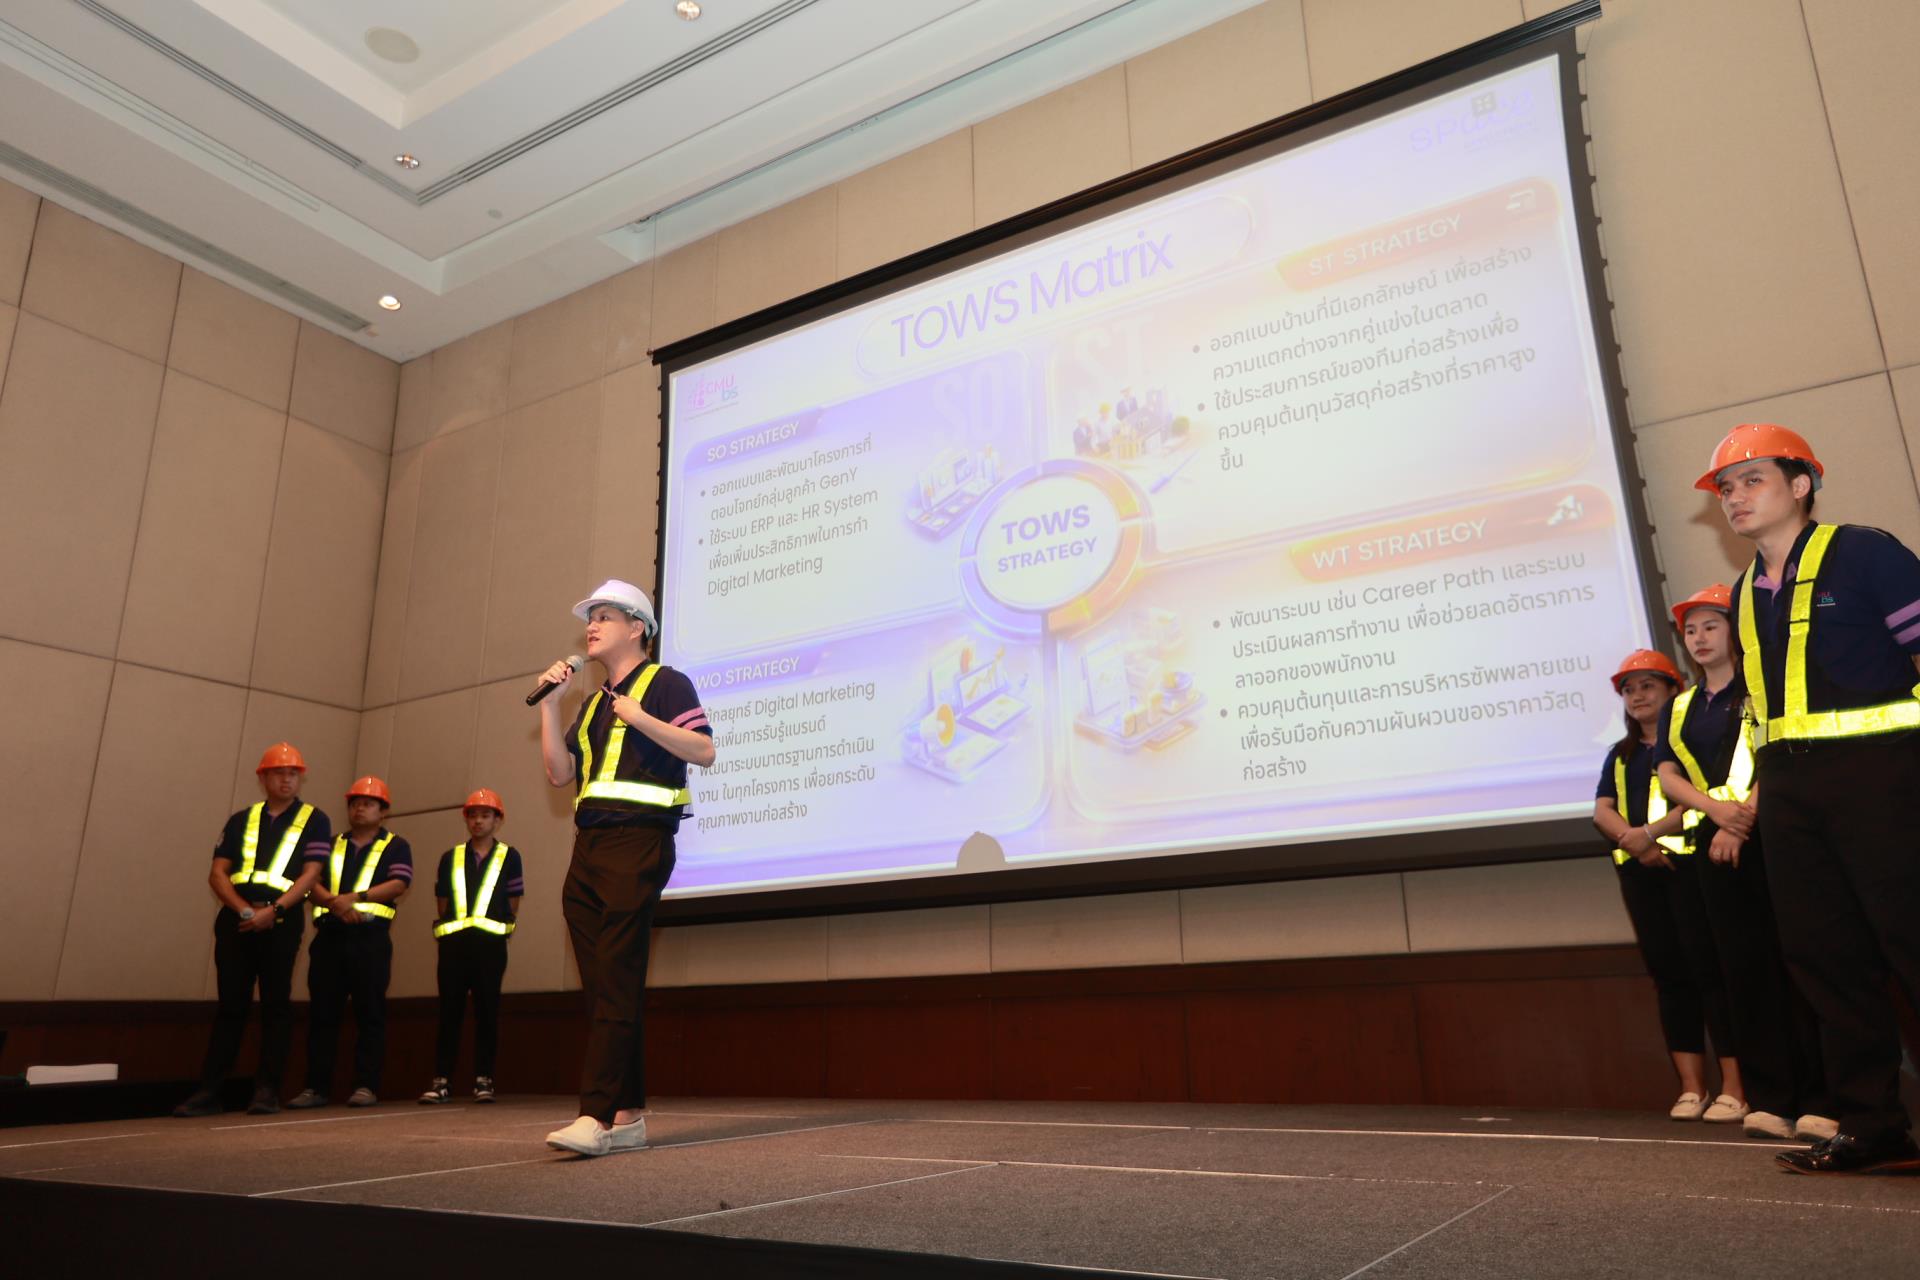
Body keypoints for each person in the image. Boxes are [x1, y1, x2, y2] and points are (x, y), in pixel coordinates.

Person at [1703, 422, 1920, 1175]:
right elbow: (1766, 712)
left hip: (1882, 776)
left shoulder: (1866, 553)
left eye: (1752, 479)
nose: (1734, 496)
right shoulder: (1743, 592)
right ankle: (1872, 1126)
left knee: (1911, 939)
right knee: (1826, 958)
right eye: (1725, 487)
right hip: (1790, 793)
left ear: (1801, 485)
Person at [538, 579, 714, 1157]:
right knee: (605, 987)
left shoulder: (665, 684)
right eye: (590, 618)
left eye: (605, 617)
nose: (591, 626)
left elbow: (703, 750)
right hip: (588, 849)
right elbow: (560, 775)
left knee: (614, 979)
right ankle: (629, 1113)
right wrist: (552, 706)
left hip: (638, 843)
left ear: (637, 627)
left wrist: (640, 718)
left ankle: (594, 1117)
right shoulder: (592, 703)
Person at [1654, 585, 1830, 1141]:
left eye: (1710, 626)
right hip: (1713, 843)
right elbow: (1667, 773)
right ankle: (1771, 1099)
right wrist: (1717, 815)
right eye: (1690, 630)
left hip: (1772, 833)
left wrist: (1742, 820)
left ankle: (1821, 1099)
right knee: (1742, 971)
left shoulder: (1762, 687)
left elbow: (1779, 753)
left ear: (1735, 631)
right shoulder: (1681, 706)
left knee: (1795, 963)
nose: (1699, 638)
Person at [1591, 650, 1740, 1121]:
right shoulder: (1621, 754)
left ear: (1674, 691)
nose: (1637, 696)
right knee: (1671, 978)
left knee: (1711, 972)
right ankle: (1692, 1088)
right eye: (1629, 690)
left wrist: (1648, 834)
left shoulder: (1686, 744)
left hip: (1690, 871)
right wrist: (1634, 843)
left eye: (1647, 686)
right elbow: (1602, 810)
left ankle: (1735, 1087)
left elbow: (1697, 800)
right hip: (1640, 876)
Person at [173, 743, 329, 1118]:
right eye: (279, 773)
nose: (287, 780)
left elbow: (311, 875)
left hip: (281, 920)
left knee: (276, 1006)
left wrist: (274, 910)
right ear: (263, 778)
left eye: (293, 773)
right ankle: (210, 1091)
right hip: (237, 921)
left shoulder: (315, 819)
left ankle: (267, 1091)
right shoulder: (241, 820)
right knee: (231, 1006)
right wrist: (245, 910)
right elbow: (217, 873)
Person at [287, 776, 411, 1109]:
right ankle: (316, 1087)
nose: (360, 809)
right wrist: (334, 904)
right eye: (355, 803)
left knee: (370, 1013)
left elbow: (399, 883)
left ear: (383, 811)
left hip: (371, 940)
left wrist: (354, 899)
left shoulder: (395, 846)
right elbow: (310, 881)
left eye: (368, 803)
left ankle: (366, 1085)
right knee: (322, 1014)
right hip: (330, 937)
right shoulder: (331, 844)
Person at [419, 790, 521, 1106]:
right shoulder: (450, 857)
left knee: (487, 1012)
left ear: (497, 820)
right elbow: (442, 902)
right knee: (449, 1012)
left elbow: (513, 902)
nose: (478, 821)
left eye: (485, 815)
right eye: (473, 815)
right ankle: (442, 1081)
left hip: (491, 945)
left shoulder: (509, 856)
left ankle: (483, 1080)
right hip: (454, 945)